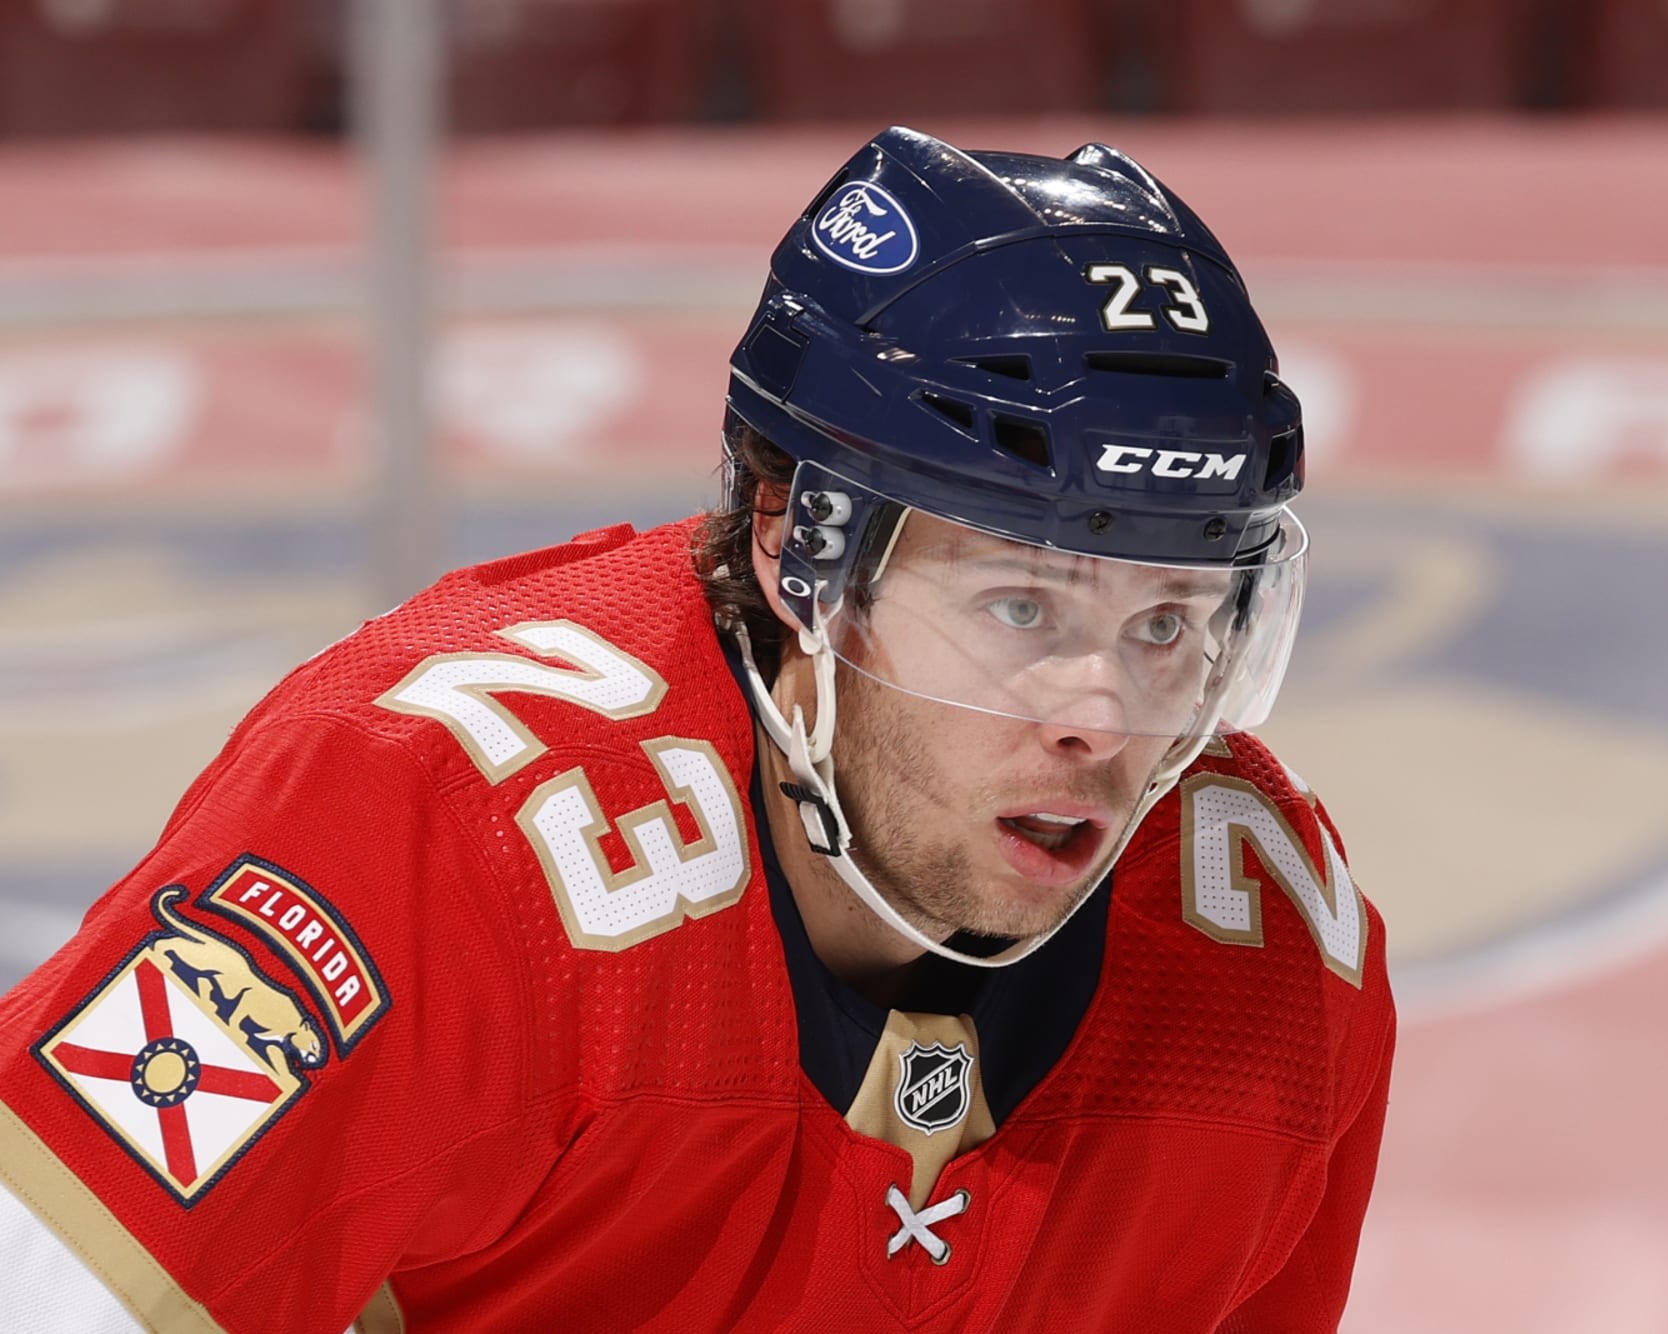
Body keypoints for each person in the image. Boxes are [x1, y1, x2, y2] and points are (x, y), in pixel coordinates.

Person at [0, 126, 1393, 1332]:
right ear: (800, 546)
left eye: (1166, 624)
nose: (1101, 716)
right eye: (1021, 605)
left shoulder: (1273, 958)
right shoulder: (430, 833)